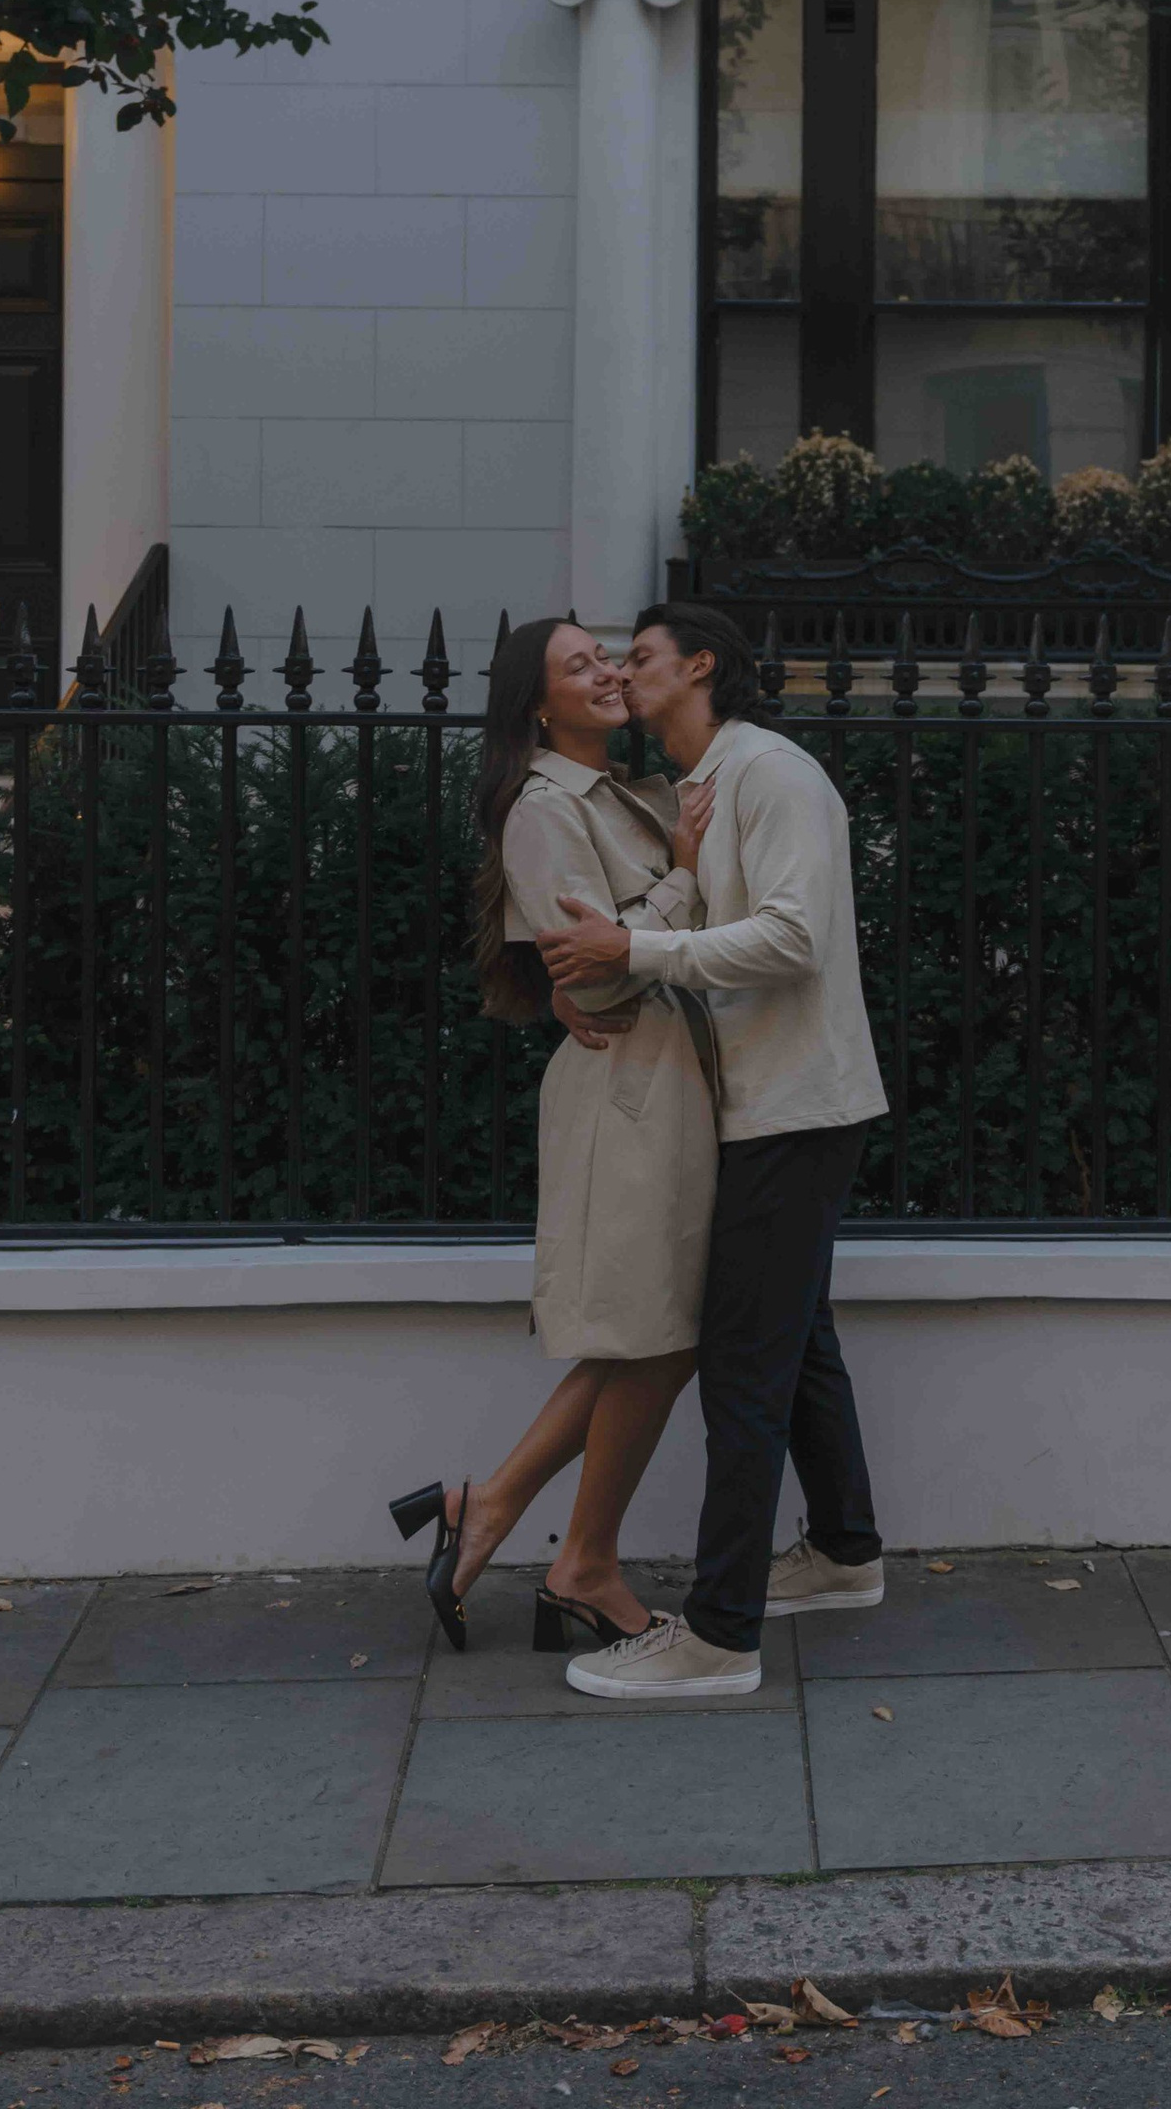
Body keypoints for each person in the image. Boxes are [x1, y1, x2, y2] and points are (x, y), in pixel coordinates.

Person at [539, 600, 889, 1702]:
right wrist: (604, 965)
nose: (619, 672)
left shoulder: (770, 772)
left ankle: (720, 1634)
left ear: (699, 666)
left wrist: (635, 943)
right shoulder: (703, 787)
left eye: (637, 657)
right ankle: (841, 1554)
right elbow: (679, 932)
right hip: (766, 1109)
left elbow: (794, 935)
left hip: (795, 1109)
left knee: (743, 1368)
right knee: (801, 1345)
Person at [390, 615, 718, 1653]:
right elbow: (603, 969)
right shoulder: (543, 809)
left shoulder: (628, 789)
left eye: (608, 654)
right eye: (579, 665)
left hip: (669, 1079)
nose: (608, 671)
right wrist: (678, 872)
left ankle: (492, 1513)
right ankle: (576, 1563)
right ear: (538, 704)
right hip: (627, 1089)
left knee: (656, 1333)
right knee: (653, 1334)